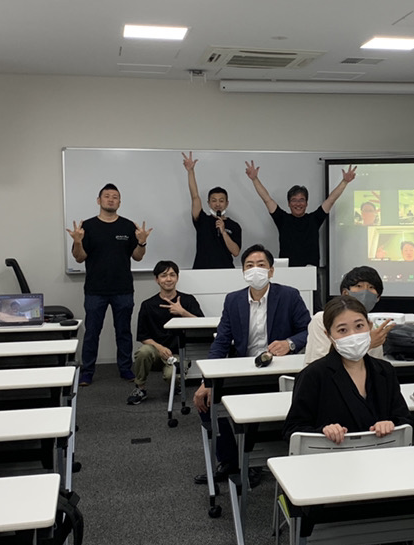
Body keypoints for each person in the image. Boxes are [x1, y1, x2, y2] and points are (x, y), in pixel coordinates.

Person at [192, 244, 310, 483]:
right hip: (243, 369)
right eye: (249, 265)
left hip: (279, 369)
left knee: (260, 410)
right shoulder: (233, 300)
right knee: (206, 400)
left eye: (261, 265)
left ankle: (253, 461)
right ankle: (230, 460)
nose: (255, 270)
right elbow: (221, 341)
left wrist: (290, 343)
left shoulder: (289, 295)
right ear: (243, 272)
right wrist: (207, 381)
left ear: (271, 271)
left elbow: (308, 330)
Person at [283, 296, 412, 442]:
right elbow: (293, 429)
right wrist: (323, 431)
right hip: (332, 454)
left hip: (381, 453)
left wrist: (391, 424)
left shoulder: (385, 370)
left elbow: (404, 419)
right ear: (329, 335)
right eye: (342, 330)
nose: (353, 336)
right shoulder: (312, 375)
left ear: (369, 326)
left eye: (359, 326)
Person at [67, 183, 150, 385]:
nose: (111, 199)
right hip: (95, 290)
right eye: (107, 196)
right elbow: (79, 257)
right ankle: (87, 372)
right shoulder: (87, 226)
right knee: (92, 332)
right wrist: (77, 241)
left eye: (115, 197)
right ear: (99, 200)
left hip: (123, 289)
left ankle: (125, 369)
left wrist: (142, 242)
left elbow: (138, 257)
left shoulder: (128, 226)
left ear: (119, 202)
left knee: (123, 332)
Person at [244, 161, 357, 266]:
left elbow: (331, 200)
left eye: (301, 200)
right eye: (294, 200)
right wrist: (255, 179)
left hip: (311, 271)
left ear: (306, 203)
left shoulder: (314, 219)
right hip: (288, 270)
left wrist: (344, 182)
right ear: (289, 203)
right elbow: (267, 199)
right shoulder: (282, 219)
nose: (298, 204)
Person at [127, 260, 204, 405]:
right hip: (156, 351)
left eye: (172, 275)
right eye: (163, 275)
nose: (168, 279)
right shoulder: (147, 305)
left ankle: (176, 385)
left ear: (177, 278)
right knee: (143, 352)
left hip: (180, 353)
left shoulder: (188, 300)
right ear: (157, 279)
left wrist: (182, 312)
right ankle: (140, 389)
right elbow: (143, 336)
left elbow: (201, 324)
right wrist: (160, 348)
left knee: (172, 376)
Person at [304, 266, 394, 364]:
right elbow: (319, 365)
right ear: (345, 293)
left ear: (378, 297)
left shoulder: (372, 328)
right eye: (359, 286)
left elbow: (375, 367)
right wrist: (368, 345)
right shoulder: (322, 319)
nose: (365, 291)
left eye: (371, 287)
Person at [183, 152, 240, 268]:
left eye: (221, 201)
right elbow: (195, 196)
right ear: (208, 203)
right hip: (202, 270)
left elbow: (235, 252)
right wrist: (190, 172)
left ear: (227, 203)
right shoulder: (202, 220)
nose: (217, 204)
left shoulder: (234, 226)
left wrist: (223, 232)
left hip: (225, 270)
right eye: (214, 200)